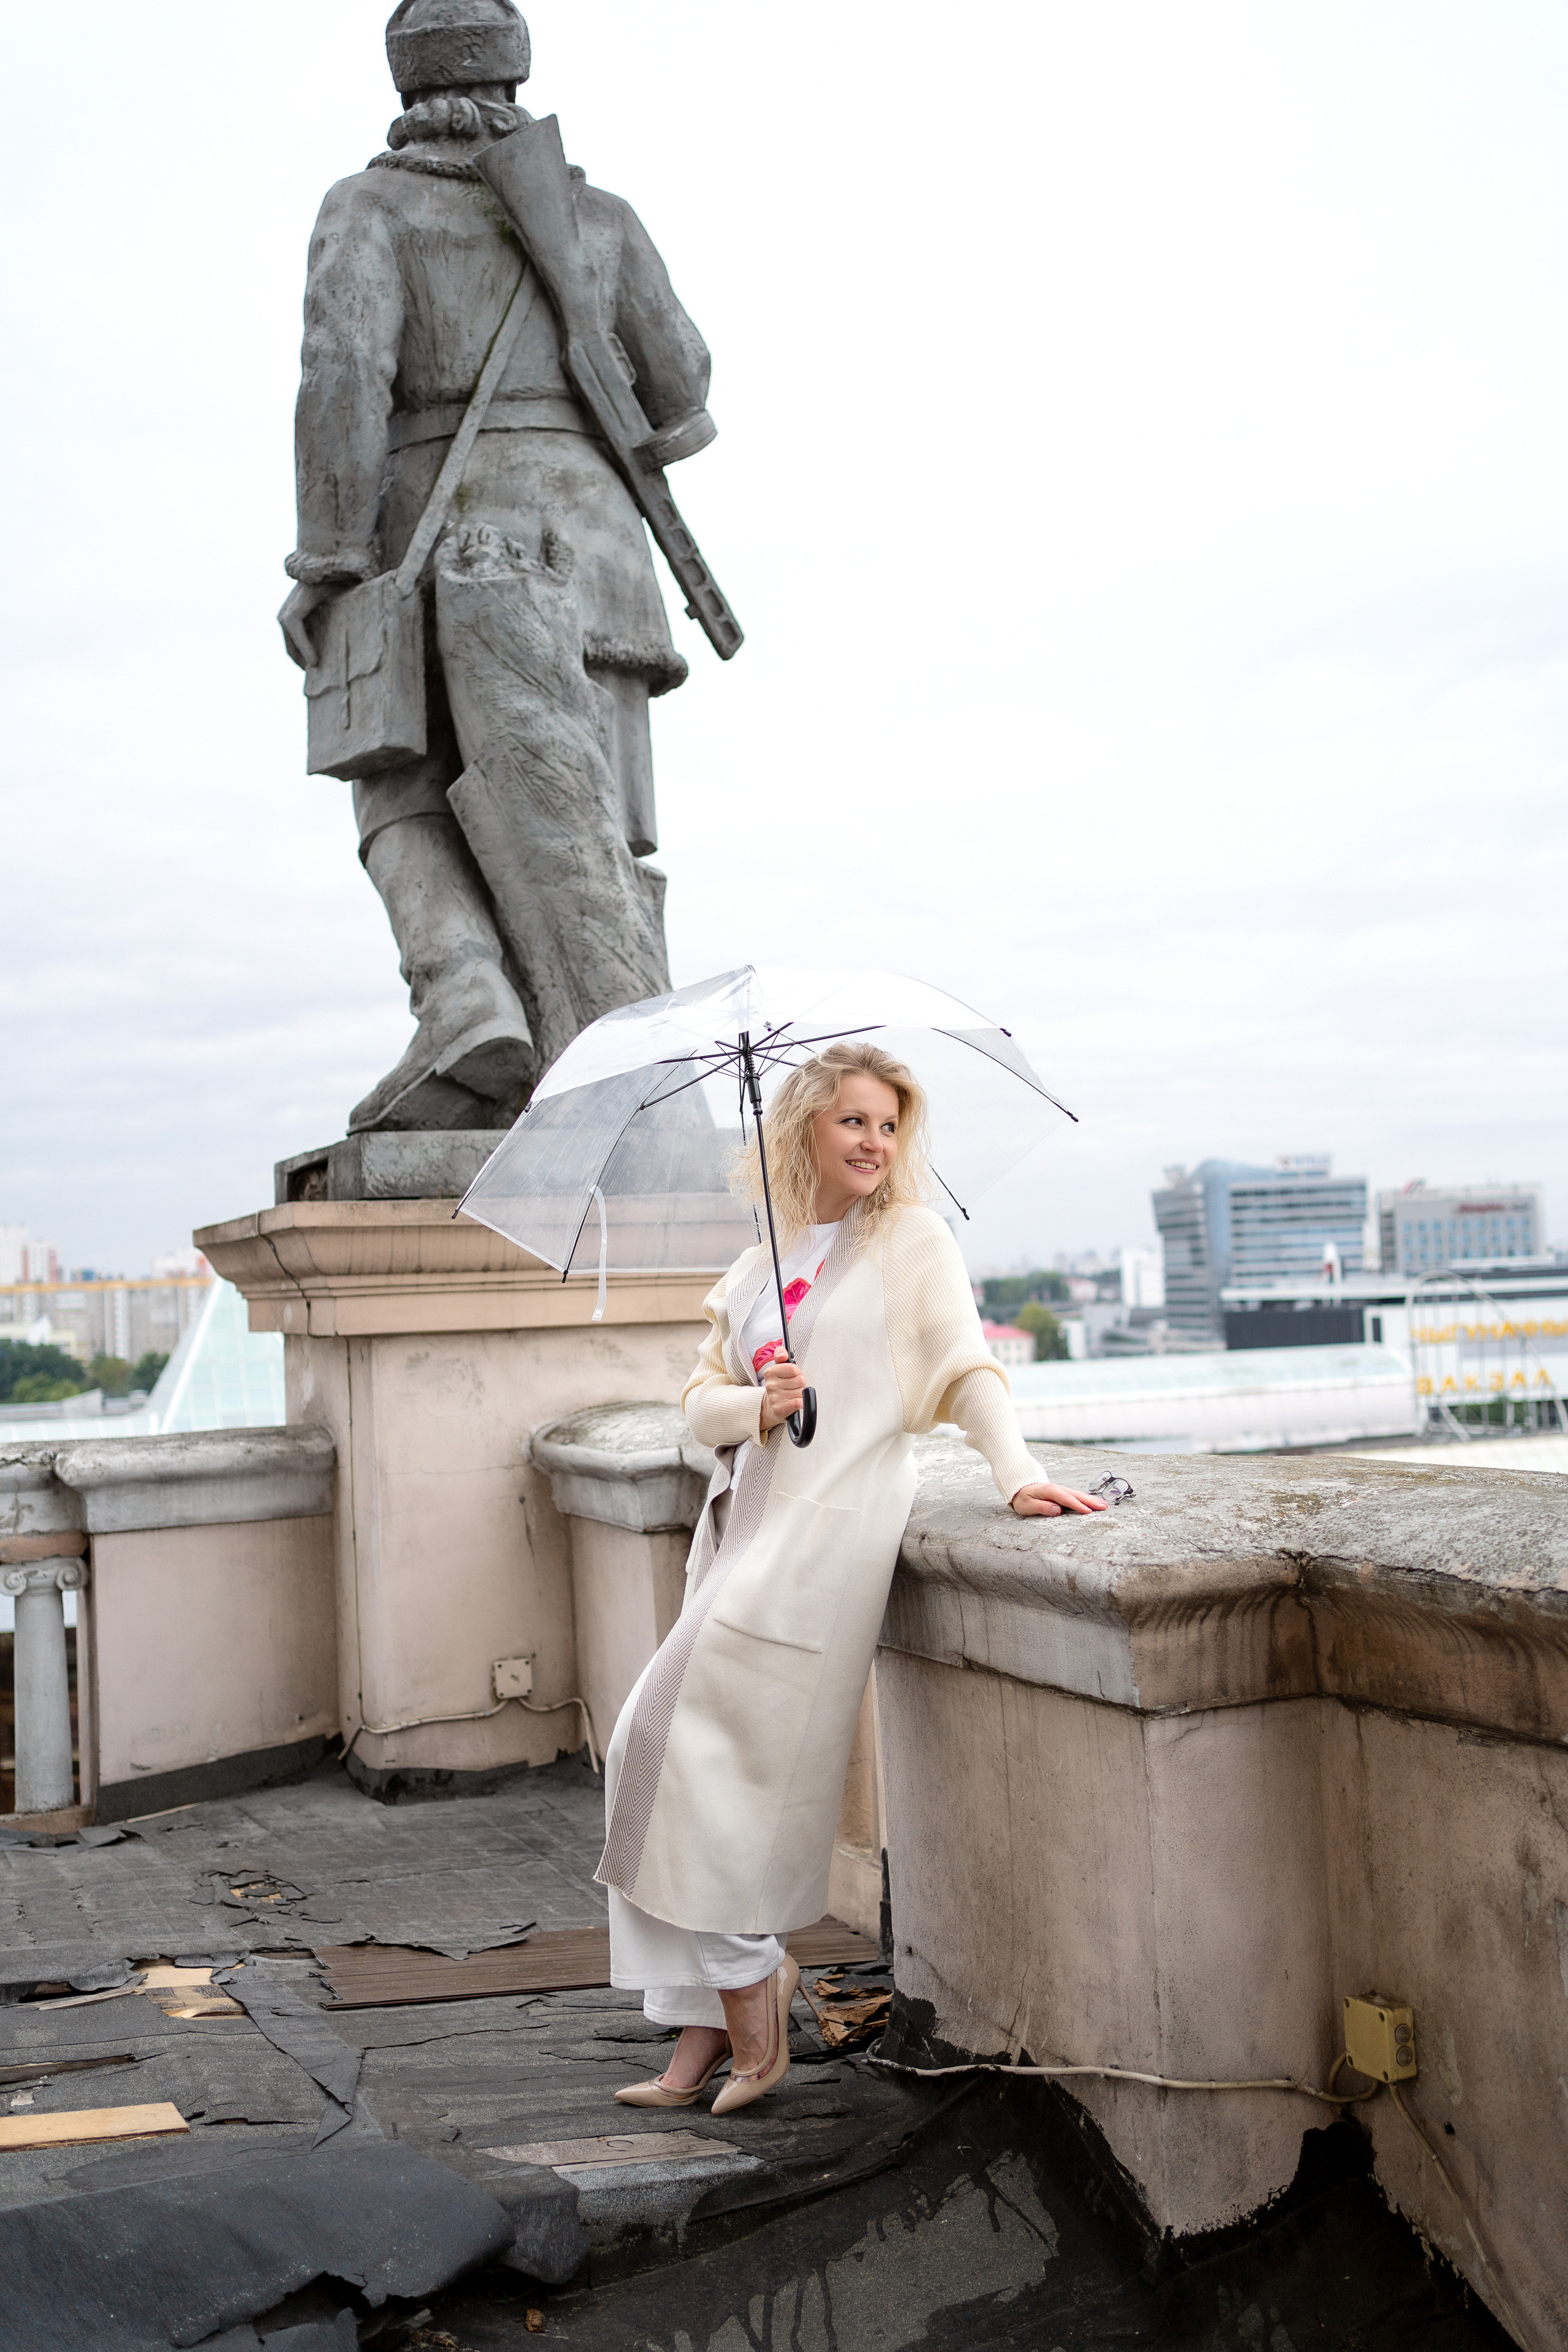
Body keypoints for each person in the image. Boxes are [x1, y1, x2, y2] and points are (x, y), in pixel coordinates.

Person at [596, 1042, 1107, 2113]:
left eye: (888, 1125)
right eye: (854, 1123)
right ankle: (694, 2032)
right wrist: (758, 1404)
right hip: (738, 1543)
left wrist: (1018, 1476)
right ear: (804, 1131)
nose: (875, 1143)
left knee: (687, 1763)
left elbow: (966, 1369)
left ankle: (749, 1994)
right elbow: (697, 1405)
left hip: (821, 1553)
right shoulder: (755, 1268)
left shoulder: (912, 1242)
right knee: (644, 1754)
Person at [279, 0, 717, 1133]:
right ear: (517, 75)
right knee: (598, 823)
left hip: (430, 550)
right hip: (602, 565)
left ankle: (468, 996)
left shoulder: (366, 208)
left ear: (404, 82)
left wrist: (327, 562)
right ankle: (614, 1077)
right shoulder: (601, 217)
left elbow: (342, 381)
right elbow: (685, 391)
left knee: (397, 782)